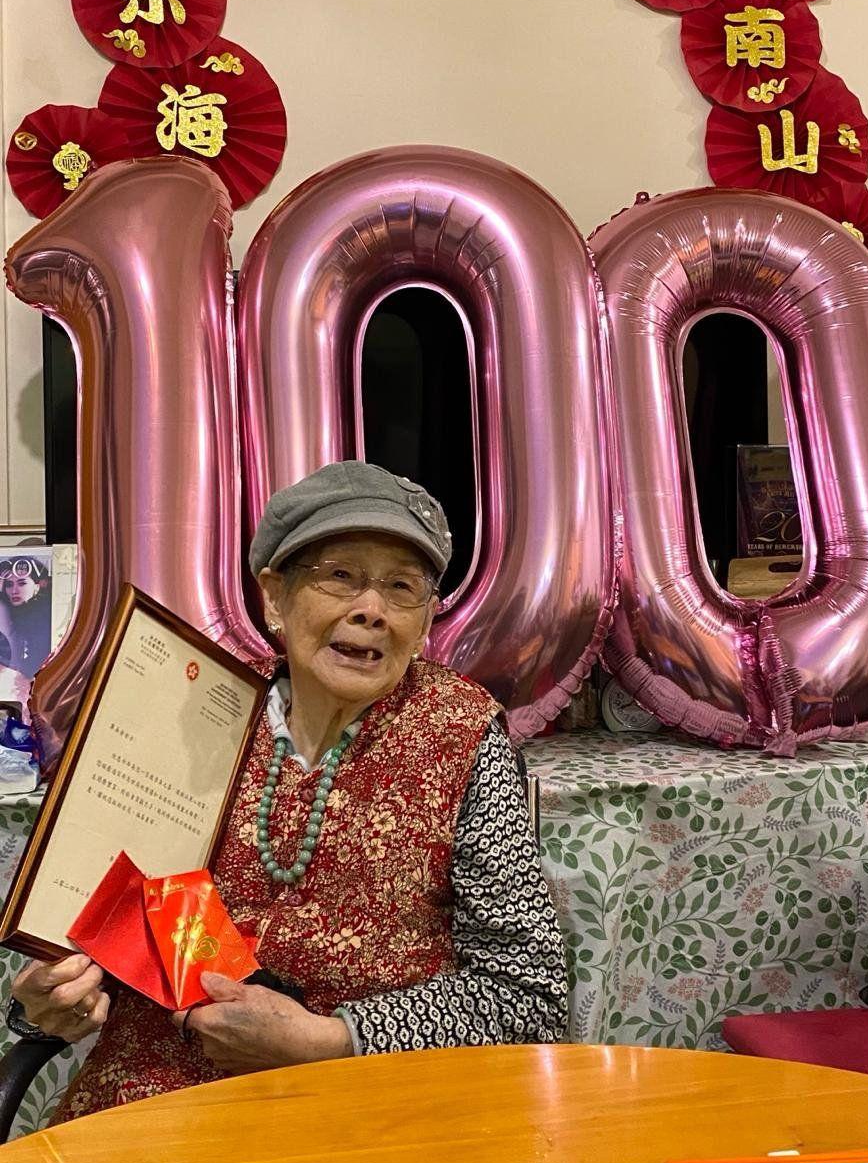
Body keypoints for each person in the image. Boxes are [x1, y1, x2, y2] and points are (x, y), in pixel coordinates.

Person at [9, 462, 568, 1119]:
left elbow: (528, 993)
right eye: (341, 576)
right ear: (275, 597)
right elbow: (109, 921)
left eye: (401, 587)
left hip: (371, 1102)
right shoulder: (195, 707)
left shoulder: (462, 735)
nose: (370, 610)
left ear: (424, 624)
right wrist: (52, 1000)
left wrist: (334, 1041)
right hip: (161, 1095)